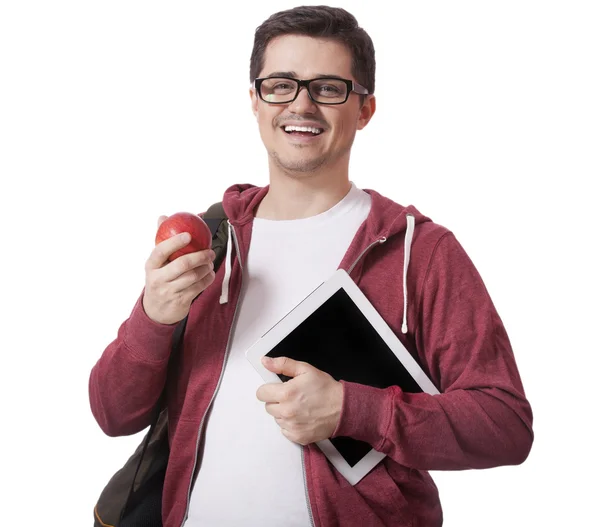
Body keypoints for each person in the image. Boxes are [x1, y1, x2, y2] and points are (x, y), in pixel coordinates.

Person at [89, 5, 534, 526]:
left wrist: (352, 410)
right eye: (280, 84)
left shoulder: (421, 251)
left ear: (365, 109)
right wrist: (154, 317)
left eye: (328, 87)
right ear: (255, 101)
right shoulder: (213, 240)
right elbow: (112, 414)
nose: (301, 104)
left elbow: (504, 424)